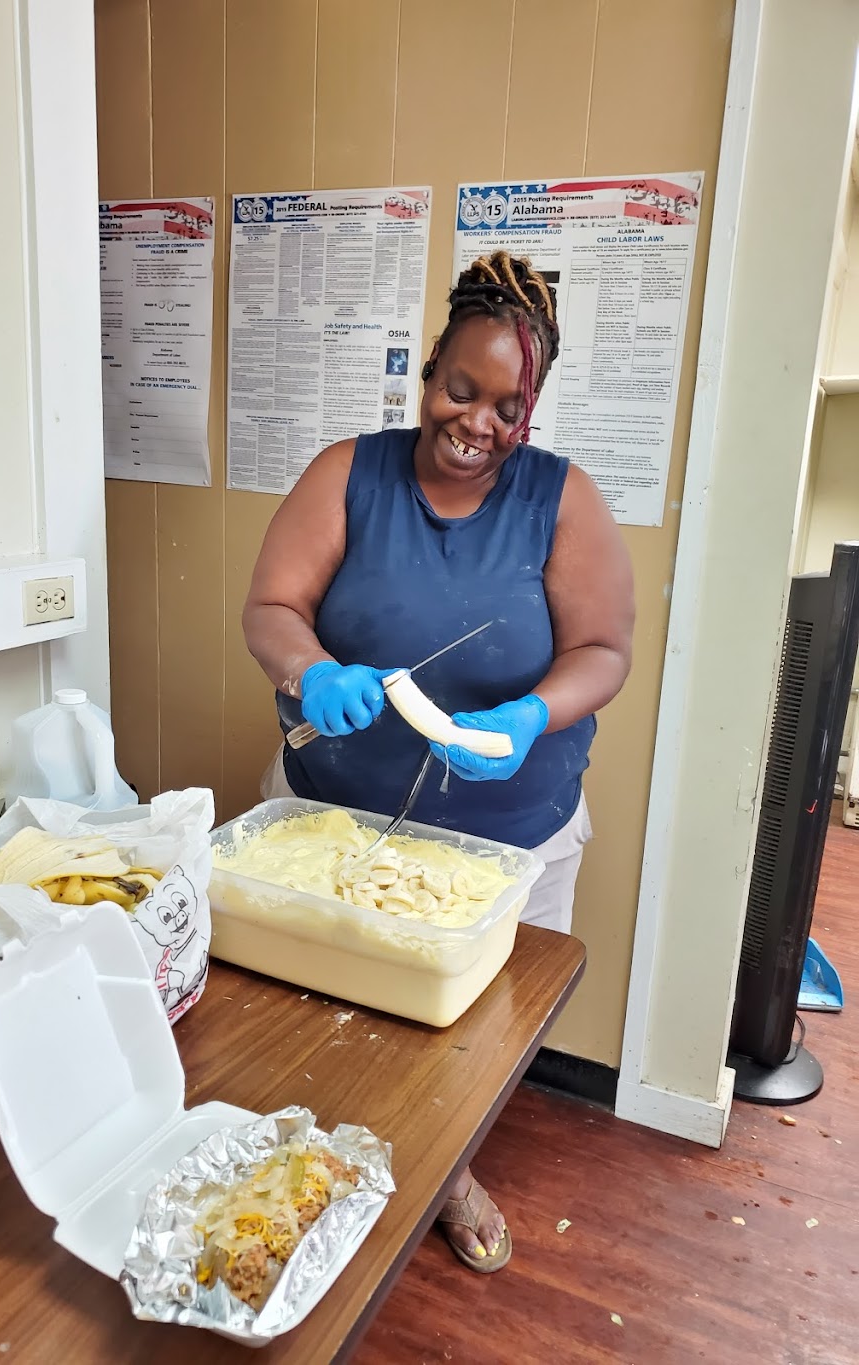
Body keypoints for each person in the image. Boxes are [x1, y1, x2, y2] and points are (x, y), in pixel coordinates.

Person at [242, 251, 635, 1273]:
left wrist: (533, 715)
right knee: (323, 1018)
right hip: (335, 823)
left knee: (475, 1038)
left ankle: (448, 1172)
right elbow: (271, 608)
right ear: (429, 371)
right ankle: (316, 1163)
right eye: (462, 389)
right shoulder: (347, 474)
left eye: (509, 407)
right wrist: (309, 672)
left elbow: (603, 651)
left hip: (512, 841)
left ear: (532, 410)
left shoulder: (562, 500)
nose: (478, 423)